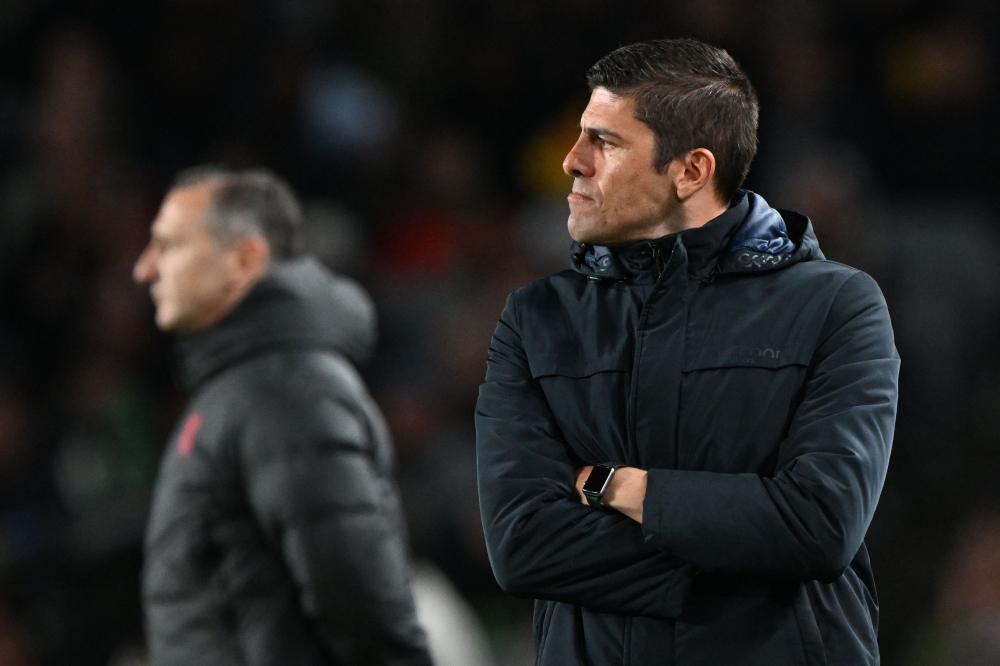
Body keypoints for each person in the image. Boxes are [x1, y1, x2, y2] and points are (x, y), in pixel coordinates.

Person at [476, 38, 899, 665]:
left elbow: (820, 525)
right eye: (580, 135)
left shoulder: (838, 306)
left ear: (691, 171)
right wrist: (746, 558)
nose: (571, 161)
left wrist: (617, 487)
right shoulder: (537, 320)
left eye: (606, 142)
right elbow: (523, 547)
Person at [133, 167, 432, 666]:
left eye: (170, 245)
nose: (146, 268)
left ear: (245, 258)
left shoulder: (283, 391)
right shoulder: (241, 390)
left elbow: (356, 598)